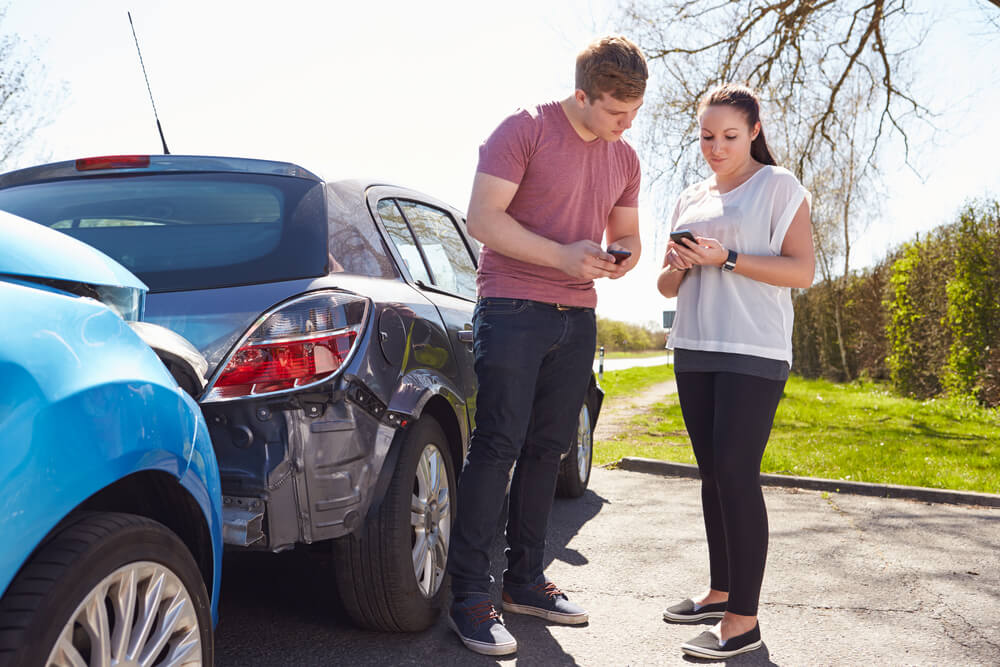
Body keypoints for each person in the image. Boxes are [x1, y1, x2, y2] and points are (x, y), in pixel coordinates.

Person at [445, 36, 647, 656]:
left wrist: (622, 260)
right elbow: (483, 219)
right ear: (582, 95)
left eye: (635, 113)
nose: (626, 125)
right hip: (512, 306)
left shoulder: (625, 157)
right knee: (499, 442)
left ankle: (526, 582)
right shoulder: (523, 130)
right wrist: (561, 255)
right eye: (616, 112)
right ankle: (470, 598)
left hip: (578, 315)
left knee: (549, 449)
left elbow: (629, 234)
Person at [656, 83, 815, 660]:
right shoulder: (689, 196)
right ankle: (720, 592)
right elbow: (665, 286)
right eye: (706, 136)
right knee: (711, 474)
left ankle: (742, 622)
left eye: (727, 136)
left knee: (736, 472)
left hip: (754, 350)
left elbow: (801, 271)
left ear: (752, 131)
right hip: (693, 346)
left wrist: (726, 258)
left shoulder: (779, 186)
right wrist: (680, 265)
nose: (715, 147)